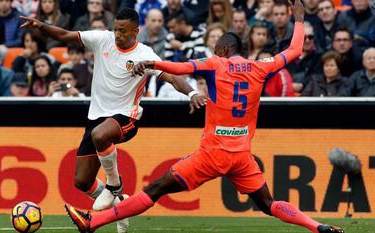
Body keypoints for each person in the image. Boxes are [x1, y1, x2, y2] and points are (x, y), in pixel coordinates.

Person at [65, 1, 344, 233]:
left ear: (222, 50)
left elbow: (182, 67)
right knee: (268, 203)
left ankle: (94, 222)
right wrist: (299, 20)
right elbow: (295, 50)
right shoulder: (261, 67)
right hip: (242, 157)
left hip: (212, 155)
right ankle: (316, 226)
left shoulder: (216, 64)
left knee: (156, 189)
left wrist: (152, 62)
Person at [21, 7, 205, 233]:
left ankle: (114, 185)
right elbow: (65, 35)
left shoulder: (144, 54)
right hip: (95, 117)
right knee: (82, 182)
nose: (117, 34)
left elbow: (172, 77)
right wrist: (41, 26)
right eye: (116, 29)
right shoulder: (102, 40)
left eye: (123, 31)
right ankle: (120, 204)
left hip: (127, 117)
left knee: (101, 135)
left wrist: (192, 93)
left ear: (136, 31)